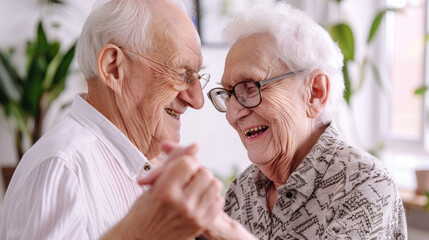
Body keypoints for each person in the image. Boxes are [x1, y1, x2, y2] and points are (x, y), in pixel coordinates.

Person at [0, 0, 224, 239]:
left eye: (197, 77)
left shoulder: (154, 165)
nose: (197, 100)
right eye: (182, 74)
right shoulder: (63, 166)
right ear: (113, 67)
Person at [205, 3, 407, 239]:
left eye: (250, 88)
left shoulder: (366, 184)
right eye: (228, 94)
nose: (232, 114)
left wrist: (227, 232)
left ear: (315, 92)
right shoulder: (243, 189)